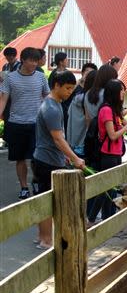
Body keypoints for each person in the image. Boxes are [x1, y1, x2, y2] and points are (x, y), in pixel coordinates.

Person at [32, 70, 85, 249]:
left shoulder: (55, 105)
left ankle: (42, 236)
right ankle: (46, 239)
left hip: (50, 158)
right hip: (47, 161)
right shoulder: (51, 108)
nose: (70, 92)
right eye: (68, 88)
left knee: (45, 199)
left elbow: (58, 139)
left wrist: (66, 155)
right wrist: (75, 158)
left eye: (72, 88)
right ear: (56, 85)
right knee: (48, 202)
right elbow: (57, 138)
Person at [0, 47, 50, 199]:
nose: (35, 64)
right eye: (32, 61)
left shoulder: (41, 77)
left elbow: (48, 97)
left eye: (36, 61)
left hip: (36, 124)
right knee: (20, 158)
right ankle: (24, 187)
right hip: (16, 123)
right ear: (23, 60)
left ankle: (36, 181)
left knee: (37, 157)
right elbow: (3, 99)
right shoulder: (11, 78)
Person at [87, 79, 127, 225]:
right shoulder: (106, 110)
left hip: (116, 154)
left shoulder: (114, 111)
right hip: (107, 154)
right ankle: (91, 218)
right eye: (121, 90)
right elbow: (113, 135)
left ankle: (102, 219)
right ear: (114, 93)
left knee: (110, 189)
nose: (123, 93)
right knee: (106, 189)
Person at [66, 69, 97, 156]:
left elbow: (69, 113)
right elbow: (89, 118)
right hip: (83, 138)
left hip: (73, 135)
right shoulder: (88, 97)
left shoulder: (78, 96)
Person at [62, 62, 97, 133]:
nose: (88, 75)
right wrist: (80, 81)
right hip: (70, 118)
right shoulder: (75, 85)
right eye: (87, 72)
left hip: (85, 121)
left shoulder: (93, 90)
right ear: (82, 73)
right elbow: (64, 96)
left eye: (91, 73)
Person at [84, 64, 118, 134]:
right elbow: (116, 115)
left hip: (92, 132)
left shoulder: (88, 93)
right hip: (106, 133)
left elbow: (87, 118)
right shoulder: (107, 94)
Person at [0, 47, 21, 127]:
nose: (10, 57)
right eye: (8, 56)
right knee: (6, 118)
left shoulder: (20, 66)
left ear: (15, 55)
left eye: (12, 55)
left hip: (16, 95)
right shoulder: (5, 66)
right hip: (6, 95)